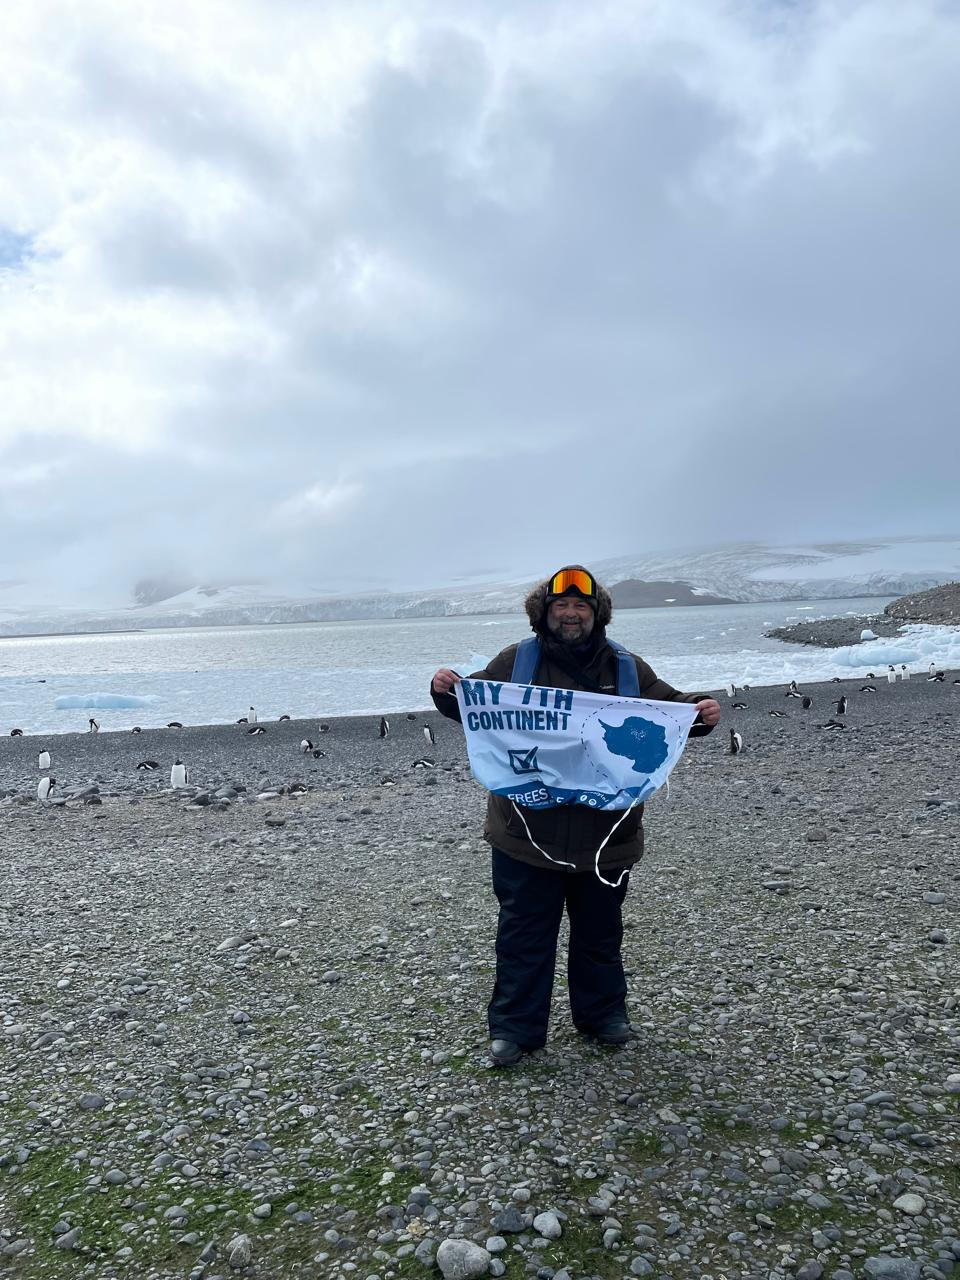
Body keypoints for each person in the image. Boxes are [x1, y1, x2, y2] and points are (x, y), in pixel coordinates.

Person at [431, 564, 721, 1066]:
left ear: (597, 614)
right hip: (526, 829)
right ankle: (515, 1030)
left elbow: (669, 710)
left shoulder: (628, 669)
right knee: (524, 933)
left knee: (600, 931)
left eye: (581, 606)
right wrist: (444, 689)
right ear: (543, 614)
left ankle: (603, 1016)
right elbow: (475, 706)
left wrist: (699, 711)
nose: (570, 614)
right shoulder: (515, 662)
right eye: (560, 606)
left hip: (606, 832)